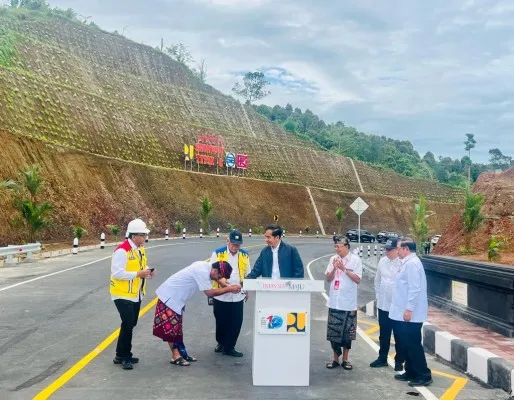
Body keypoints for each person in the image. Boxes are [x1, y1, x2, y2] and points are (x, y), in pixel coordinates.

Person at [153, 261, 241, 366]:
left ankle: (181, 353)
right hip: (169, 297)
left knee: (177, 329)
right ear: (215, 270)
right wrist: (230, 289)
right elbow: (210, 293)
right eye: (220, 276)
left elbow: (215, 277)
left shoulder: (206, 266)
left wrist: (222, 283)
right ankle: (175, 356)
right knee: (171, 329)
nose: (220, 278)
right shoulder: (202, 272)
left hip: (176, 298)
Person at [110, 218, 155, 370]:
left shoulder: (140, 249)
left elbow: (141, 266)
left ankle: (120, 354)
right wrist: (138, 274)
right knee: (128, 323)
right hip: (122, 294)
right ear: (134, 236)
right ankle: (124, 356)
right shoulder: (122, 251)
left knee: (131, 323)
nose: (145, 238)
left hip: (136, 293)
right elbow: (117, 273)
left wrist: (147, 271)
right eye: (143, 235)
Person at [390, 239, 432, 387]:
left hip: (411, 314)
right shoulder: (407, 263)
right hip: (404, 312)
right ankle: (411, 371)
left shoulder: (413, 264)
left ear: (406, 249)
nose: (397, 251)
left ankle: (424, 375)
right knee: (407, 344)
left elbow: (415, 289)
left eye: (398, 248)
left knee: (413, 344)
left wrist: (409, 309)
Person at [209, 230, 251, 357]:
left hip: (238, 294)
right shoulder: (218, 253)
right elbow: (212, 273)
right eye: (233, 244)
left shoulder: (244, 255)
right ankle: (221, 343)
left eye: (238, 245)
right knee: (221, 321)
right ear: (227, 241)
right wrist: (225, 285)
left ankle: (230, 347)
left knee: (236, 322)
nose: (235, 247)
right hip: (221, 294)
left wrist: (246, 289)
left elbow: (248, 273)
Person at [325, 235, 362, 370]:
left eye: (338, 246)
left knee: (348, 333)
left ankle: (345, 359)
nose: (336, 249)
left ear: (346, 247)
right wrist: (335, 268)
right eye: (335, 246)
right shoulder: (332, 259)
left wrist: (344, 269)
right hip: (334, 301)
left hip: (348, 303)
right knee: (333, 332)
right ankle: (335, 358)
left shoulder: (355, 260)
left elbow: (358, 279)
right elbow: (328, 278)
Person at [369, 238, 405, 371]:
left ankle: (399, 361)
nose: (387, 252)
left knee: (398, 335)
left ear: (397, 250)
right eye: (386, 249)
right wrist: (378, 297)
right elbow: (377, 281)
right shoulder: (382, 262)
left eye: (390, 250)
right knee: (384, 333)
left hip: (397, 306)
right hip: (383, 304)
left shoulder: (402, 264)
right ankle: (382, 358)